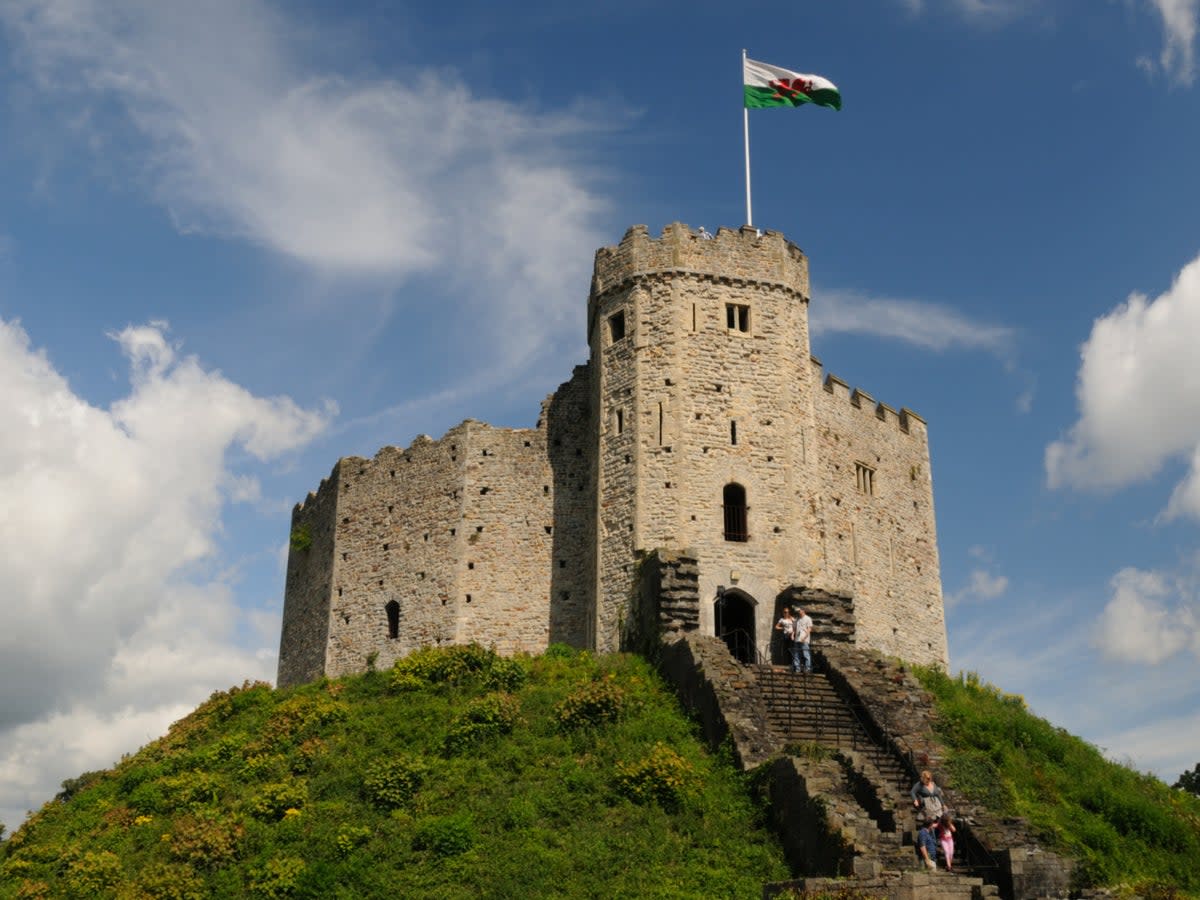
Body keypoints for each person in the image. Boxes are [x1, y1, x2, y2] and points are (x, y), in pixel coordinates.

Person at [793, 606, 813, 674]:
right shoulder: (797, 619)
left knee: (806, 654)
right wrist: (793, 635)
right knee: (796, 654)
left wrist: (804, 638)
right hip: (797, 639)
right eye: (798, 611)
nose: (798, 612)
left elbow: (809, 629)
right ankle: (797, 669)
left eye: (799, 611)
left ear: (803, 610)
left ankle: (807, 668)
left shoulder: (808, 619)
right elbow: (795, 628)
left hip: (804, 639)